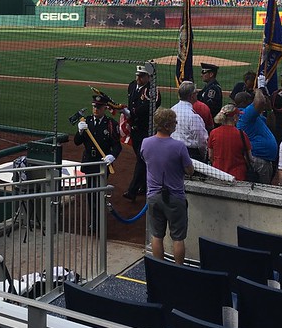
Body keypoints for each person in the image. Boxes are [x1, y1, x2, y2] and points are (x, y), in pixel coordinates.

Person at [141, 108, 194, 264]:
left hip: (154, 196)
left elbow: (146, 159)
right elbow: (189, 170)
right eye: (174, 122)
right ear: (166, 125)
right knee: (178, 238)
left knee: (157, 236)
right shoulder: (179, 147)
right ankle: (178, 269)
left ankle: (160, 269)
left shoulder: (146, 142)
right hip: (175, 197)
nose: (175, 125)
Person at [75, 95, 121, 231]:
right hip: (89, 162)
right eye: (94, 106)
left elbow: (117, 145)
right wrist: (79, 131)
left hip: (102, 164)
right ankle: (94, 221)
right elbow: (77, 142)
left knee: (99, 193)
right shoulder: (86, 122)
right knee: (91, 194)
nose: (96, 109)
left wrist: (112, 156)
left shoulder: (111, 124)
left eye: (99, 107)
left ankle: (99, 220)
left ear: (105, 108)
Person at [123, 64, 161, 201]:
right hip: (135, 129)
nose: (138, 78)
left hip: (147, 130)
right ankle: (144, 186)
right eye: (137, 75)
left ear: (148, 77)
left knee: (142, 158)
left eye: (142, 76)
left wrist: (131, 112)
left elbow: (149, 108)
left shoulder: (152, 90)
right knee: (142, 158)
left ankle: (132, 190)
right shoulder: (132, 86)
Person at [235, 81, 278, 184]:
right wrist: (259, 88)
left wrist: (270, 110)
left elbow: (271, 126)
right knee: (262, 191)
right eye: (251, 99)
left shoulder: (252, 117)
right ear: (245, 101)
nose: (253, 101)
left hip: (263, 159)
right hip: (258, 159)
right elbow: (259, 102)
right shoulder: (244, 114)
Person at [208, 104, 250, 181]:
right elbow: (248, 158)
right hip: (237, 176)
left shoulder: (213, 133)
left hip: (217, 174)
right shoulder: (241, 135)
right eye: (238, 115)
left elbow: (211, 156)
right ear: (234, 118)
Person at [170, 81, 208, 161]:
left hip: (172, 150)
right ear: (191, 96)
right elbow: (202, 141)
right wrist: (203, 156)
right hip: (190, 154)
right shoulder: (193, 116)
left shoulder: (172, 110)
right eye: (195, 93)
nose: (197, 94)